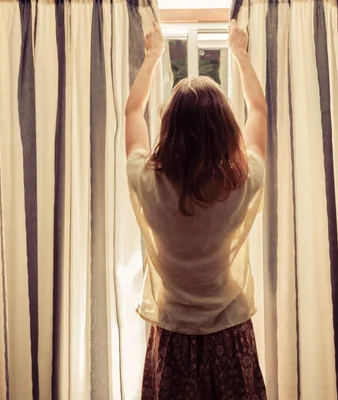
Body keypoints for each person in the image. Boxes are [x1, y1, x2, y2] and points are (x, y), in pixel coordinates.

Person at [125, 18, 268, 399]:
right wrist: (240, 53)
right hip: (230, 332)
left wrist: (153, 56)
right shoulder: (240, 184)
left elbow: (132, 113)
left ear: (169, 129)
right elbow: (258, 111)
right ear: (226, 131)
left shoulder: (148, 182)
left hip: (173, 335)